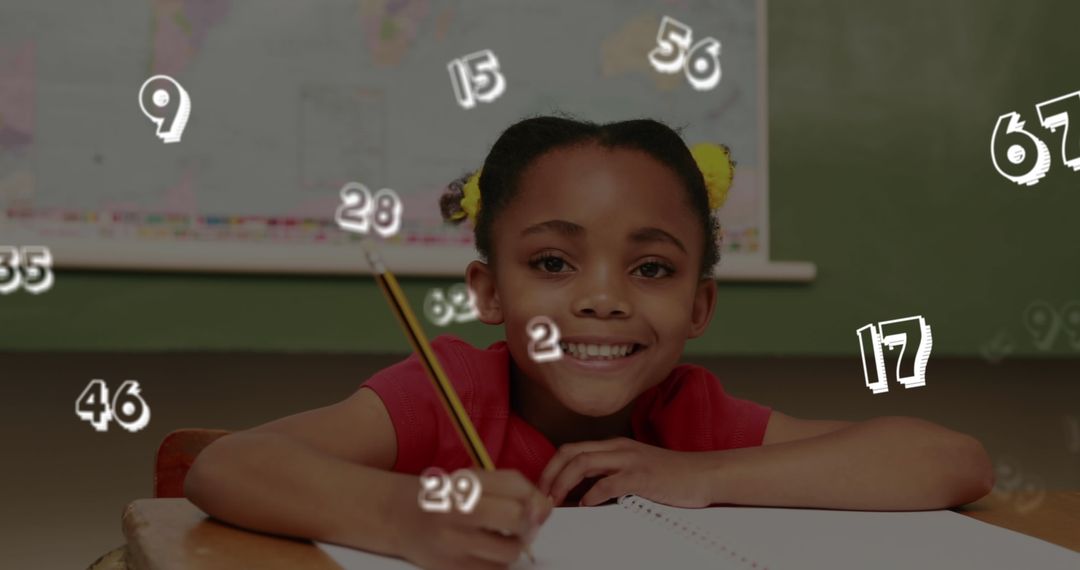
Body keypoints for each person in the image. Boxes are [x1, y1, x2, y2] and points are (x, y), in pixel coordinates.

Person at [185, 116, 994, 570]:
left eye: (650, 267)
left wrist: (700, 473)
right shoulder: (452, 388)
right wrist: (409, 519)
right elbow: (225, 464)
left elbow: (950, 462)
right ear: (489, 292)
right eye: (551, 263)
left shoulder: (686, 417)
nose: (603, 299)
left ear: (699, 304)